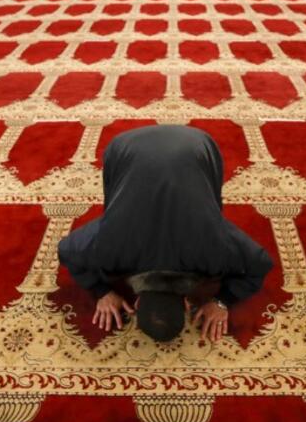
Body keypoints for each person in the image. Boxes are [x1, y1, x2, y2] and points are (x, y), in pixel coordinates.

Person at [58, 125, 274, 344]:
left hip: (197, 146)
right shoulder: (111, 251)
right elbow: (67, 250)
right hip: (128, 147)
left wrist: (221, 302)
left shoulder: (213, 254)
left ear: (186, 304)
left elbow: (260, 263)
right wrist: (102, 291)